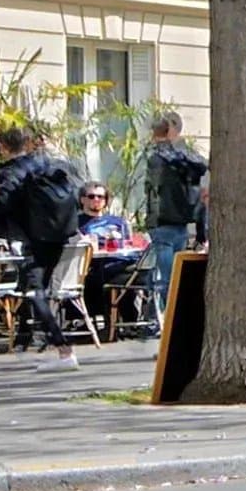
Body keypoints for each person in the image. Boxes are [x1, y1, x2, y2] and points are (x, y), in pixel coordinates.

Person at [0, 127, 84, 367]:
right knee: (39, 290)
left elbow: (4, 205)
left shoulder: (9, 171)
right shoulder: (46, 164)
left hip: (29, 239)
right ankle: (34, 338)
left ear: (3, 147)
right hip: (57, 234)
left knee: (34, 292)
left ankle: (63, 350)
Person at [139, 110, 206, 310]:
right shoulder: (186, 156)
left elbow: (154, 190)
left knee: (164, 278)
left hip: (162, 223)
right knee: (177, 277)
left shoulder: (155, 157)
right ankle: (175, 316)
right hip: (182, 222)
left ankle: (164, 317)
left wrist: (150, 221)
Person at [75, 183, 152, 334]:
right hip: (93, 265)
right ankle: (118, 323)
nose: (96, 200)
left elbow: (129, 243)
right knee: (100, 277)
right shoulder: (76, 223)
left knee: (125, 275)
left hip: (124, 263)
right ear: (82, 199)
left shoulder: (118, 222)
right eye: (91, 196)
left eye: (101, 196)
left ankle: (125, 323)